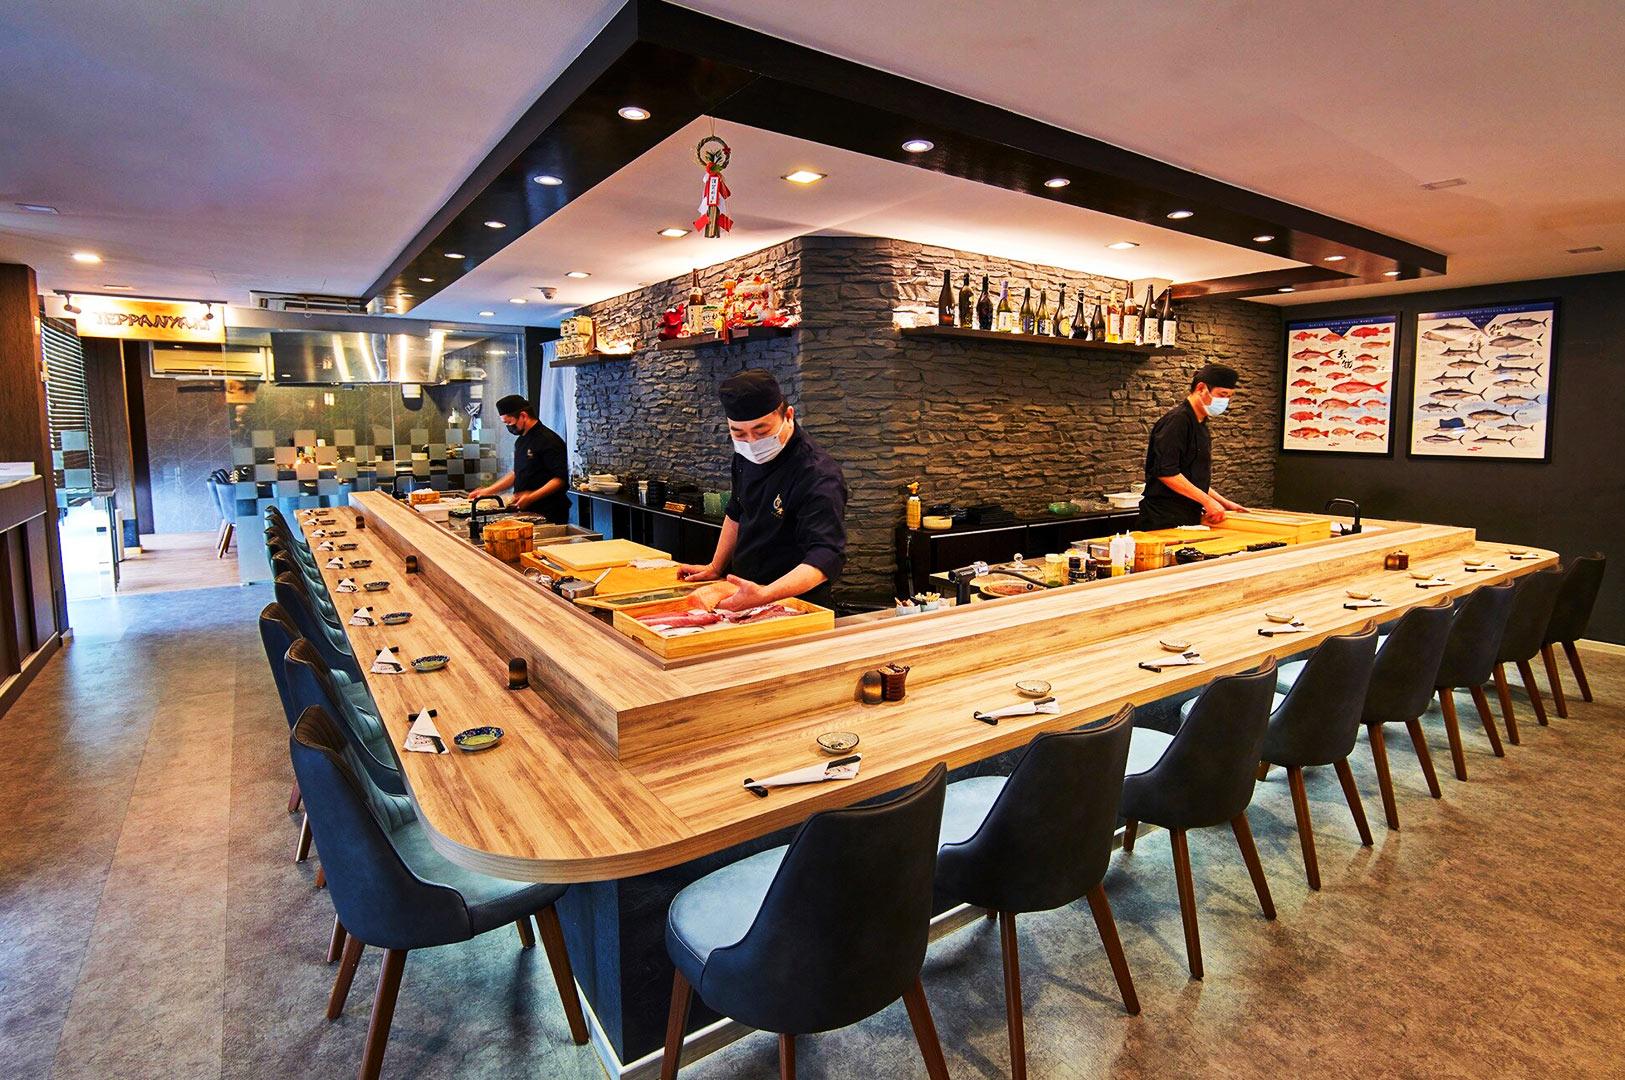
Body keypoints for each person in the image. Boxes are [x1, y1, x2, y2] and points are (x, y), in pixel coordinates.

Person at [677, 369, 848, 611]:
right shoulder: (744, 454)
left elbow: (826, 555)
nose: (752, 442)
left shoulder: (817, 474)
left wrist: (765, 594)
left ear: (788, 415)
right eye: (739, 433)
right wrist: (715, 567)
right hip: (742, 593)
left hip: (795, 602)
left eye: (762, 431)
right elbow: (736, 511)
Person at [1136, 362, 1249, 531]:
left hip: (1189, 515)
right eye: (1222, 394)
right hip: (1163, 518)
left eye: (1229, 397)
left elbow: (1192, 478)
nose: (1225, 401)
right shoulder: (1177, 421)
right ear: (1201, 388)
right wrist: (1207, 501)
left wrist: (1223, 502)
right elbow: (1166, 472)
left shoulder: (1201, 423)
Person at [467, 394, 572, 522]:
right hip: (527, 511)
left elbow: (559, 480)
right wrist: (488, 491)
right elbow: (516, 473)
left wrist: (531, 496)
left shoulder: (549, 440)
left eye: (510, 422)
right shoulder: (521, 441)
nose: (509, 427)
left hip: (549, 512)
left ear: (523, 416)